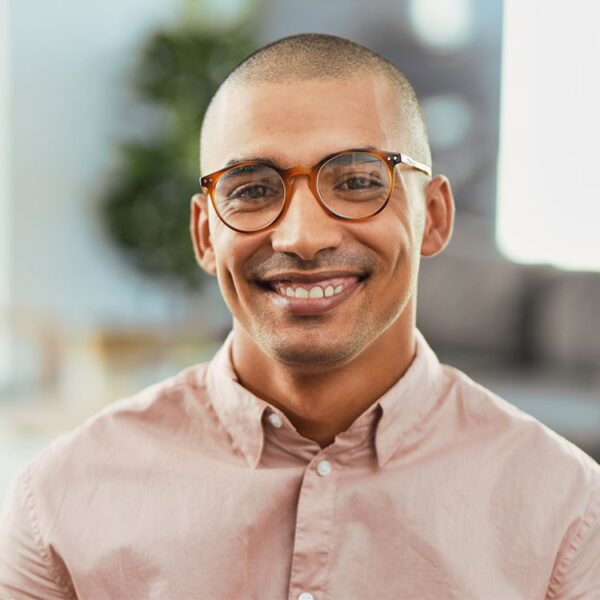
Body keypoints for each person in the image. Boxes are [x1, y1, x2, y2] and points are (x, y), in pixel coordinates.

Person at [1, 33, 598, 599]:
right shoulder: (58, 500)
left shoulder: (566, 509)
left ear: (435, 216)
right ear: (205, 235)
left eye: (359, 180)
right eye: (252, 189)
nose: (303, 237)